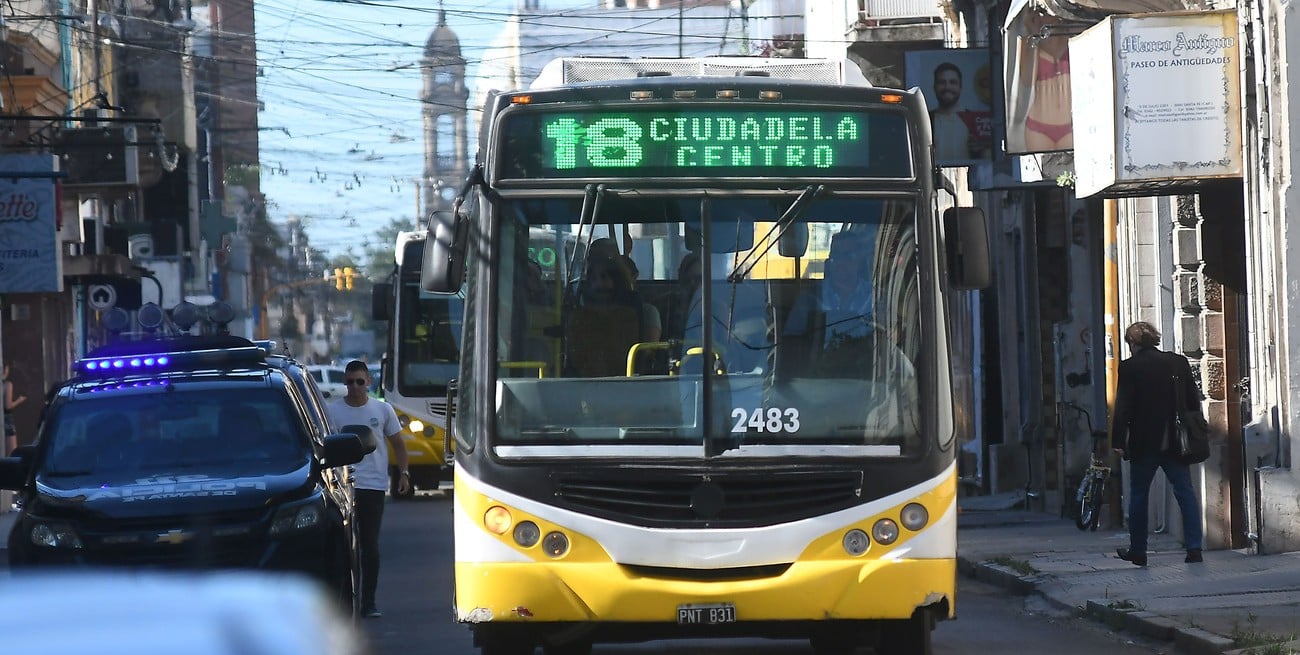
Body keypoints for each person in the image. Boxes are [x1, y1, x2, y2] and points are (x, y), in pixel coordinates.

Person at [1112, 321, 1204, 567]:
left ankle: (1139, 550)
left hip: (1144, 442)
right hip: (1176, 440)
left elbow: (1123, 407)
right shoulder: (1177, 362)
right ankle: (1194, 548)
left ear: (1132, 343)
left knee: (1139, 495)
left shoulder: (1130, 367)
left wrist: (1119, 440)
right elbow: (1192, 400)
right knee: (1185, 492)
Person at [327, 360, 409, 618]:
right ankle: (342, 602)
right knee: (342, 547)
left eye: (359, 382)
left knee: (369, 546)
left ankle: (368, 601)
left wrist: (403, 473)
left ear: (368, 383)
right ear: (344, 383)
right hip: (341, 486)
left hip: (373, 486)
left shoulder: (383, 410)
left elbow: (399, 444)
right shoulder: (332, 411)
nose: (354, 387)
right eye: (350, 382)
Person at [930, 62, 977, 162]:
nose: (947, 87)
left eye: (953, 82)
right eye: (942, 82)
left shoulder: (974, 120)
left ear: (960, 87)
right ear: (934, 86)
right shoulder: (926, 120)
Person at [4, 362, 26, 456]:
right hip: (7, 419)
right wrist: (20, 400)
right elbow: (8, 406)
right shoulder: (7, 384)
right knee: (11, 452)